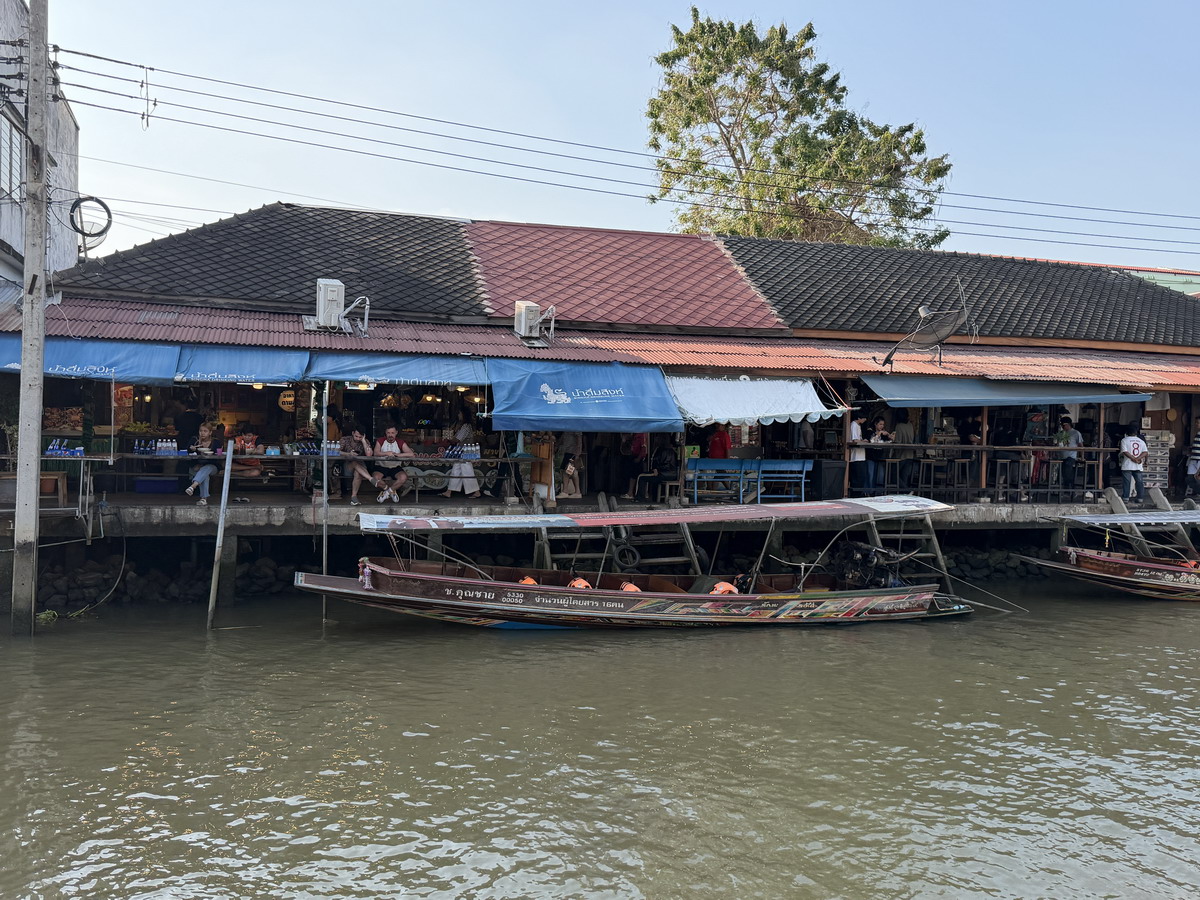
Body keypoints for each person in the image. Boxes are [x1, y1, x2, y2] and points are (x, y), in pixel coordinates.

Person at [440, 411, 481, 499]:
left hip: (465, 451)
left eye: (460, 413)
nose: (459, 415)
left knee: (467, 471)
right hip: (462, 451)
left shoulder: (466, 426)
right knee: (456, 470)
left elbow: (457, 439)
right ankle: (449, 491)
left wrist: (448, 439)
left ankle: (476, 491)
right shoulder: (464, 426)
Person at [339, 423, 379, 506]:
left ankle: (354, 497)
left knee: (358, 473)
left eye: (360, 437)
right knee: (354, 462)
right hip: (348, 466)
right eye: (356, 436)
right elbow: (336, 451)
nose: (358, 439)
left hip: (361, 467)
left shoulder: (365, 441)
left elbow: (369, 454)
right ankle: (370, 478)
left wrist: (364, 441)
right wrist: (348, 454)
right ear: (353, 433)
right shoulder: (344, 439)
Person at [182, 423, 221, 506]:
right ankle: (203, 499)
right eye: (200, 431)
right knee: (204, 475)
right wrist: (191, 449)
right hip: (196, 467)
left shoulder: (216, 442)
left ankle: (193, 486)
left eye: (205, 431)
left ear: (210, 432)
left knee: (206, 468)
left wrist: (213, 454)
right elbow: (187, 452)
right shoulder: (194, 440)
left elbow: (219, 456)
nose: (202, 433)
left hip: (211, 467)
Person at [372, 426, 415, 502]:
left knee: (403, 477)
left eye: (392, 433)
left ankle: (387, 493)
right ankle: (391, 491)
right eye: (388, 433)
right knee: (375, 478)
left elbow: (411, 454)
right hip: (381, 466)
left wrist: (397, 455)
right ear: (385, 433)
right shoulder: (380, 441)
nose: (390, 435)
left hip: (395, 467)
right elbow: (376, 453)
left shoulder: (400, 442)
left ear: (396, 433)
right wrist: (386, 453)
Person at [638, 436, 679, 501]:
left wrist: (655, 470)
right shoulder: (673, 451)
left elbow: (654, 463)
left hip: (662, 474)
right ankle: (655, 498)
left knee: (641, 476)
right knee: (654, 479)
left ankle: (640, 498)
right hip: (673, 475)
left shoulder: (659, 450)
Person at [1119, 422, 1148, 504]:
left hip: (1127, 464)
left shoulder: (1124, 440)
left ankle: (1126, 498)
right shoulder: (1141, 441)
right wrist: (1138, 458)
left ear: (1127, 432)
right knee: (1139, 482)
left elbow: (1125, 451)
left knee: (1126, 482)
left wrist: (1133, 458)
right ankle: (1140, 498)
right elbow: (1145, 452)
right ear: (1136, 433)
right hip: (1138, 465)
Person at [1055, 416, 1084, 489]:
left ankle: (1069, 487)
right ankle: (1064, 487)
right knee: (1062, 472)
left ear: (1068, 424)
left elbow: (1081, 445)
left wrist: (1082, 457)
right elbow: (1057, 444)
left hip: (1071, 456)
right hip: (1061, 456)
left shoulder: (1076, 433)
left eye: (1063, 425)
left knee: (1068, 470)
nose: (1062, 426)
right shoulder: (1060, 433)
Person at [866, 416, 892, 494]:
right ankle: (869, 493)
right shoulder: (870, 432)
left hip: (880, 457)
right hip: (871, 456)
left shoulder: (883, 434)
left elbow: (888, 442)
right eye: (880, 424)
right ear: (875, 424)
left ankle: (877, 493)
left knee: (880, 476)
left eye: (883, 424)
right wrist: (879, 433)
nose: (882, 426)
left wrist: (890, 436)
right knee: (870, 475)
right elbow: (872, 441)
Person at [892, 412, 917, 492]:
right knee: (904, 476)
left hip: (901, 455)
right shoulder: (910, 425)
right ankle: (904, 492)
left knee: (893, 475)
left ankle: (906, 490)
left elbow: (898, 441)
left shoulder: (899, 426)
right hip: (910, 453)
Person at [620, 432, 648, 500]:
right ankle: (630, 492)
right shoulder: (633, 435)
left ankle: (631, 493)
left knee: (634, 475)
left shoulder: (641, 434)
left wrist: (639, 457)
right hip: (632, 455)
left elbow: (643, 447)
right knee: (630, 474)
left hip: (638, 457)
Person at [848, 412, 868, 495]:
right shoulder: (854, 425)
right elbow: (855, 440)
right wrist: (863, 441)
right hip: (856, 456)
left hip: (860, 456)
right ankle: (855, 494)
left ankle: (859, 493)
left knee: (861, 477)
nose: (865, 420)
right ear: (859, 417)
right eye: (864, 418)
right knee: (857, 478)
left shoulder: (858, 426)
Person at [1188, 415, 1200, 498]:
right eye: (1196, 422)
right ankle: (1197, 491)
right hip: (1193, 459)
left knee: (1198, 477)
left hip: (1199, 459)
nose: (1196, 424)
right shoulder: (1198, 433)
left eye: (1198, 423)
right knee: (1190, 477)